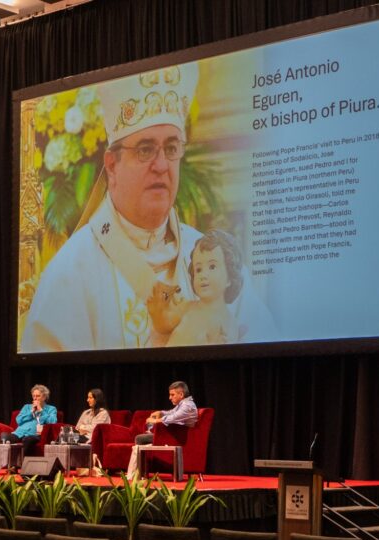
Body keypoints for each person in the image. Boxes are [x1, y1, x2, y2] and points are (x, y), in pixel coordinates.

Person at [21, 62, 277, 352]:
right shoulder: (70, 273)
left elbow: (262, 347)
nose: (161, 165)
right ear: (112, 165)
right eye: (145, 150)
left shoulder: (209, 255)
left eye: (171, 148)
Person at [166, 229, 244, 346]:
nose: (203, 275)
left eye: (212, 267)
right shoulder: (188, 307)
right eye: (198, 269)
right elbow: (164, 323)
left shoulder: (227, 322)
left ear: (229, 278)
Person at [127, 380, 197, 478]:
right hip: (175, 436)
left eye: (172, 395)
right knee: (144, 438)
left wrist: (156, 421)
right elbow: (171, 412)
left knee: (140, 439)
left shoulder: (187, 405)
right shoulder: (184, 404)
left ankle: (136, 474)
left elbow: (174, 417)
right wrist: (161, 413)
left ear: (181, 394)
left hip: (177, 438)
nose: (170, 398)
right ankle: (139, 472)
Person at [2, 384, 58, 455]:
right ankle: (5, 463)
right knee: (4, 436)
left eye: (38, 396)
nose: (35, 398)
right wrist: (31, 412)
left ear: (44, 397)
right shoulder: (27, 407)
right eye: (33, 396)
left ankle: (21, 463)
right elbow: (18, 420)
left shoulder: (51, 409)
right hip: (19, 433)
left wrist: (41, 410)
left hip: (35, 435)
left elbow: (53, 422)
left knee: (28, 439)